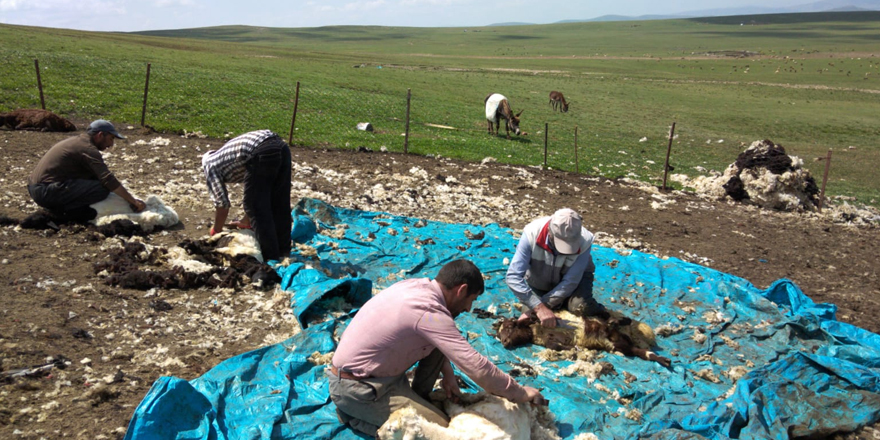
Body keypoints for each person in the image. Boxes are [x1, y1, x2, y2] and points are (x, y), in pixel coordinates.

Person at [329, 259, 545, 437]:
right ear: (461, 290)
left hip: (381, 376)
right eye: (472, 299)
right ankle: (355, 417)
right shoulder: (429, 313)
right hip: (358, 389)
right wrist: (520, 393)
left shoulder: (417, 286)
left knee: (440, 343)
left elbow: (440, 342)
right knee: (439, 429)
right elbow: (477, 368)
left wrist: (448, 374)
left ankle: (416, 397)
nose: (469, 308)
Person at [27, 119, 145, 223]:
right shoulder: (88, 149)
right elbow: (107, 179)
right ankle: (66, 214)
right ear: (100, 135)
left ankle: (63, 208)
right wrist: (133, 201)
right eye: (111, 138)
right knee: (101, 189)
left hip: (37, 187)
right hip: (45, 191)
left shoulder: (78, 141)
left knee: (94, 180)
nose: (111, 144)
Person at [506, 208, 605, 329]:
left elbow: (571, 281)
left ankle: (600, 311)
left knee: (580, 306)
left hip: (575, 281)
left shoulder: (585, 241)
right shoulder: (532, 234)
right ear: (549, 231)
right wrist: (538, 307)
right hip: (540, 280)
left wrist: (544, 306)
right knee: (530, 314)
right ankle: (559, 303)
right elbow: (513, 276)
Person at [201, 129, 291, 262]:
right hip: (281, 147)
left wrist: (217, 230)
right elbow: (260, 190)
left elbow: (222, 204)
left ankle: (271, 258)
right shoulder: (225, 157)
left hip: (261, 150)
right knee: (278, 201)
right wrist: (245, 221)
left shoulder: (210, 166)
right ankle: (284, 252)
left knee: (255, 206)